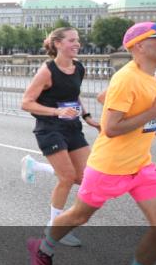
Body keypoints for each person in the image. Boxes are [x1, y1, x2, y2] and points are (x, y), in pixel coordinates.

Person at [27, 22, 156, 265]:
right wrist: (154, 112)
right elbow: (111, 129)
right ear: (140, 46)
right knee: (78, 216)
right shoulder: (128, 79)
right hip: (110, 167)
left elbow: (105, 99)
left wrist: (149, 123)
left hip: (140, 165)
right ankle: (44, 247)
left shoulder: (146, 75)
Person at [19, 27, 101, 246]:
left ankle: (35, 166)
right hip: (49, 128)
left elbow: (74, 96)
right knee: (66, 178)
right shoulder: (47, 71)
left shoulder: (79, 68)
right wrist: (56, 111)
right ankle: (55, 228)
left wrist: (88, 117)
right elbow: (26, 102)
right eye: (72, 40)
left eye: (78, 40)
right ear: (57, 44)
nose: (77, 44)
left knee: (83, 178)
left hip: (72, 127)